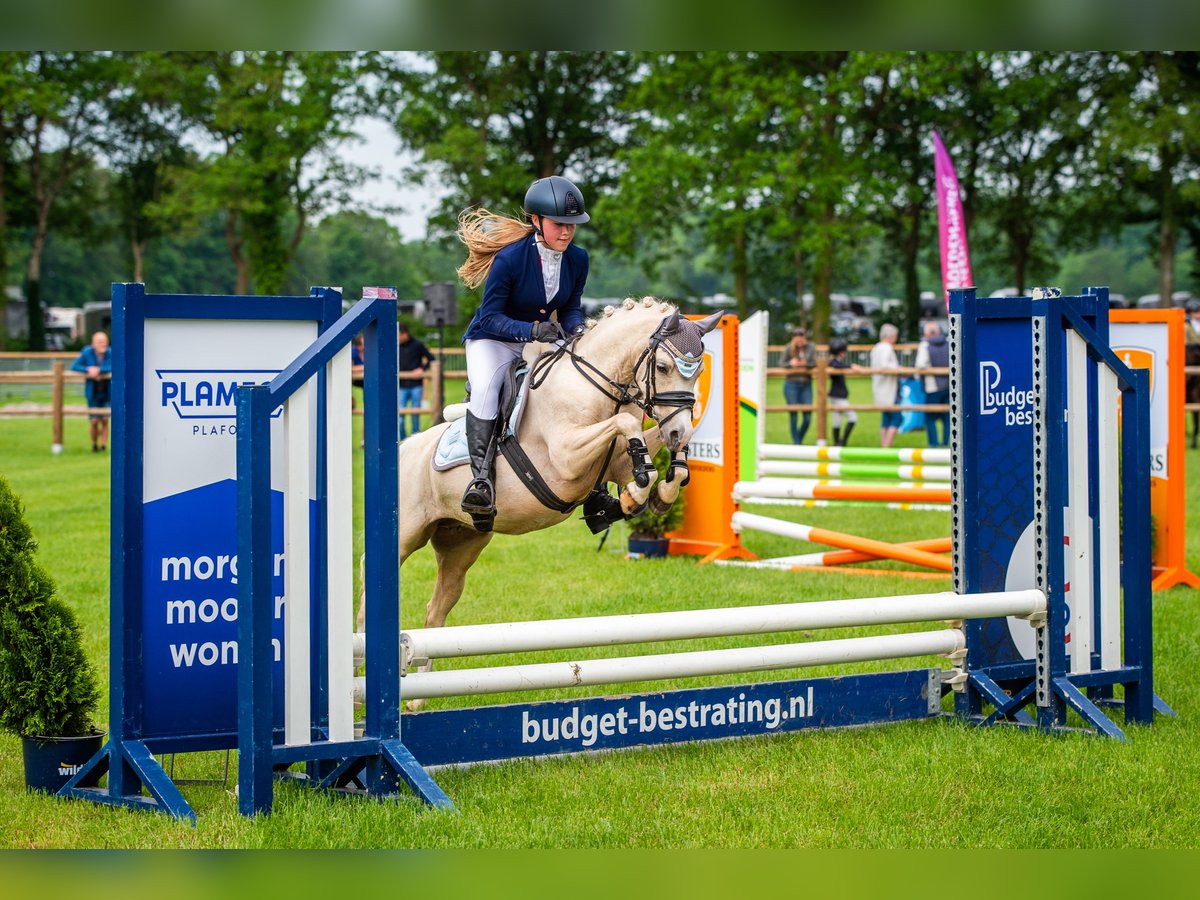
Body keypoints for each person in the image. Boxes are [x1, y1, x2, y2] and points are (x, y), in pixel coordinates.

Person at [455, 174, 591, 522]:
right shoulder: (510, 259)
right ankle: (481, 481)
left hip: (541, 339)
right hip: (494, 340)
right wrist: (530, 329)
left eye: (572, 226)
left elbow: (572, 306)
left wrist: (578, 330)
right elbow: (489, 317)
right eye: (559, 224)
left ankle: (597, 486)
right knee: (487, 389)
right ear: (536, 220)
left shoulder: (578, 259)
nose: (566, 232)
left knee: (582, 380)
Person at [72, 330, 112, 452]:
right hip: (93, 392)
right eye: (100, 342)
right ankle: (94, 444)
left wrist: (99, 370)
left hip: (106, 392)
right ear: (93, 343)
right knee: (94, 421)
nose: (103, 344)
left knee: (105, 420)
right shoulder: (87, 352)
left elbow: (116, 365)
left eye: (105, 342)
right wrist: (88, 369)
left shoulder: (111, 352)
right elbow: (75, 366)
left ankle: (104, 445)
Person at [915, 319, 950, 447]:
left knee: (929, 417)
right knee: (947, 417)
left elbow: (920, 364)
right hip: (950, 385)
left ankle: (934, 443)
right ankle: (947, 442)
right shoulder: (948, 342)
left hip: (933, 386)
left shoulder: (925, 345)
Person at [397, 323, 434, 440]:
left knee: (415, 414)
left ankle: (415, 439)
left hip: (416, 385)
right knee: (400, 416)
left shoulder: (418, 345)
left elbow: (431, 359)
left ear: (404, 334)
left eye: (398, 335)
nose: (397, 338)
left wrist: (421, 369)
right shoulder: (395, 346)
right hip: (401, 385)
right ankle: (403, 440)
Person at [869, 323, 902, 448]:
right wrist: (898, 368)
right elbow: (885, 365)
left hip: (879, 385)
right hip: (889, 387)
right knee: (896, 417)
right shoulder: (887, 348)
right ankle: (886, 446)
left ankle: (884, 446)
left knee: (886, 417)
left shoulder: (876, 347)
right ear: (892, 336)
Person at [783, 326, 816, 444]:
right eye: (797, 339)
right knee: (794, 415)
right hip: (791, 384)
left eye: (801, 339)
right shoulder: (788, 348)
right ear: (794, 339)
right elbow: (782, 363)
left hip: (806, 385)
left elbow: (815, 362)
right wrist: (791, 363)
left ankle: (799, 440)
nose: (799, 341)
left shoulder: (811, 347)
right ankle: (796, 443)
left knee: (807, 417)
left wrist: (806, 363)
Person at [827, 337, 858, 446]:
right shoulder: (834, 363)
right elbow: (836, 365)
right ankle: (843, 442)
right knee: (853, 417)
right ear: (840, 352)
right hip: (838, 396)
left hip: (836, 395)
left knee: (837, 420)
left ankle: (837, 443)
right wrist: (850, 366)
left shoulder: (836, 362)